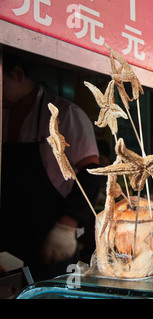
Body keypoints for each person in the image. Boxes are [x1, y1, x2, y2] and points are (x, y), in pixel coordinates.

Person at [1, 52, 101, 281]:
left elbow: (91, 173)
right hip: (8, 236)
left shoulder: (64, 114)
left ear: (17, 74)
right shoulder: (3, 115)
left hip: (51, 240)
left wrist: (67, 227)